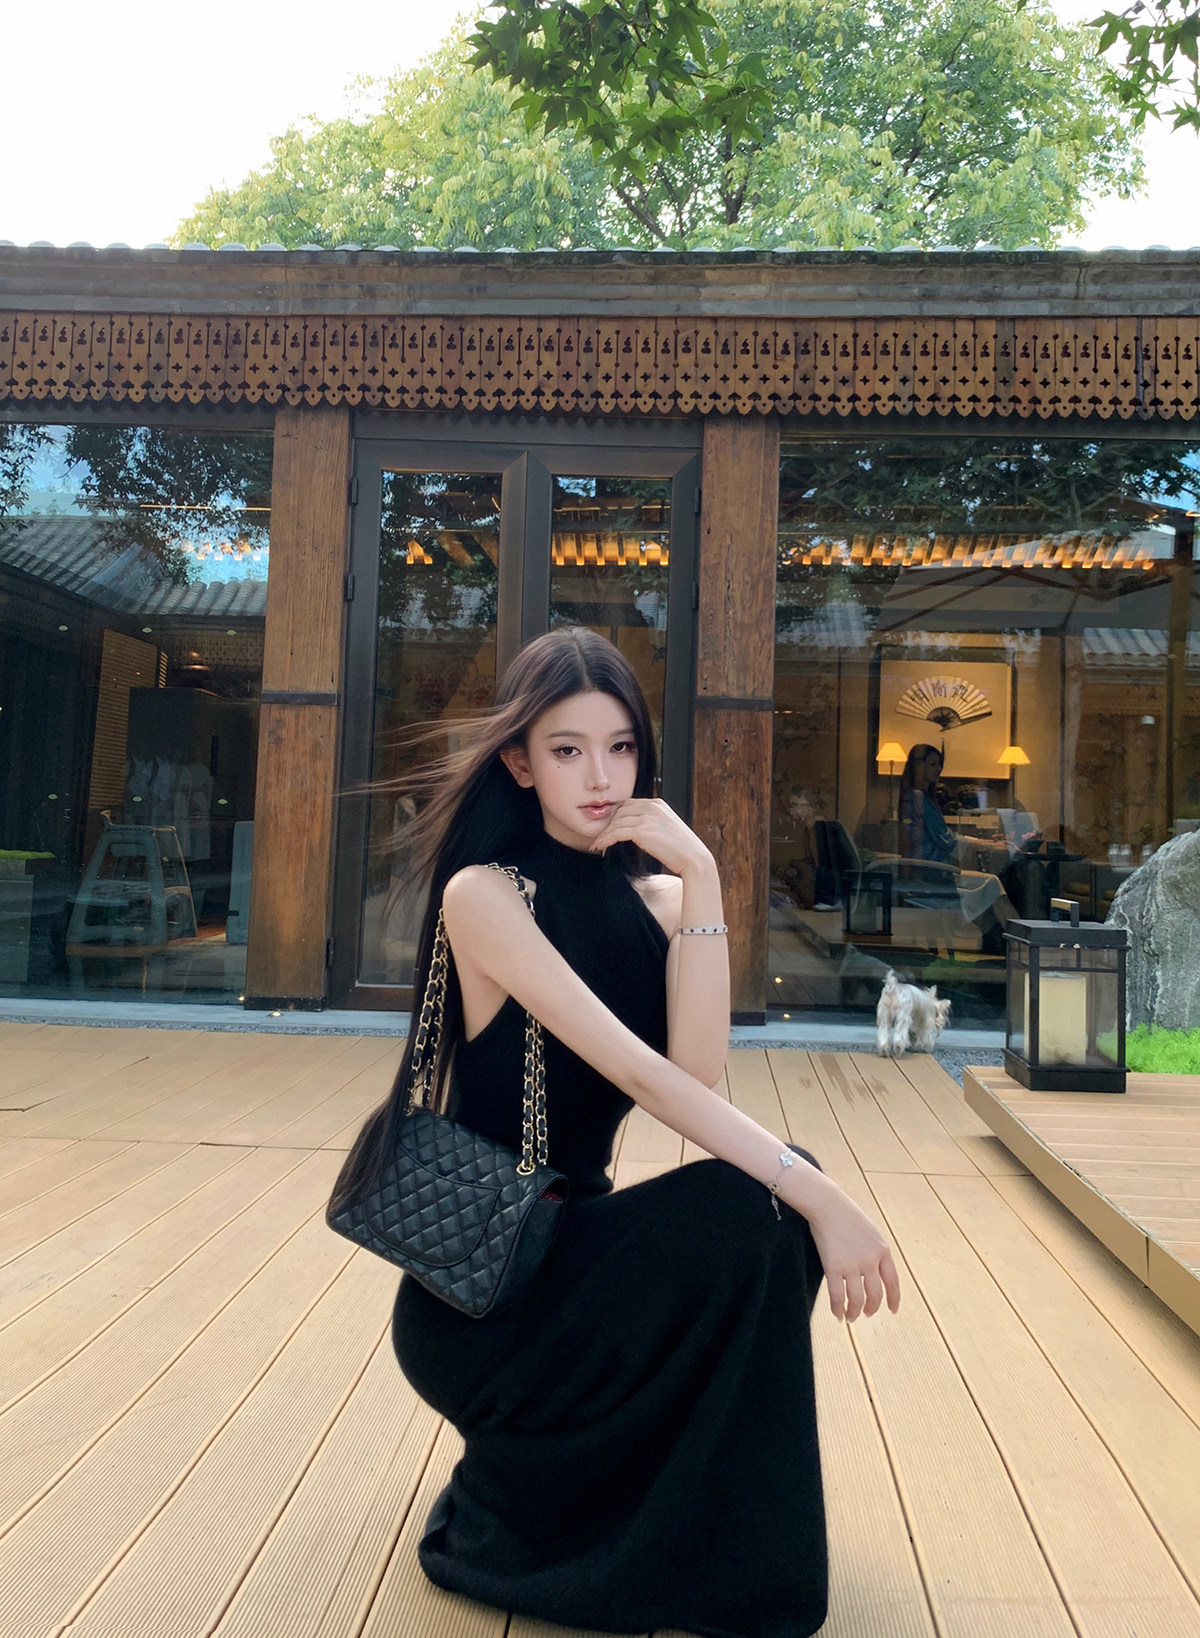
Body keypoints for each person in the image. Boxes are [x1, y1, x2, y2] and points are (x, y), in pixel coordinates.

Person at [333, 628, 900, 1638]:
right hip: (490, 1291)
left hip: (582, 1254)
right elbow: (641, 1075)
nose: (600, 776)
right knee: (776, 1194)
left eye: (621, 747)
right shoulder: (487, 895)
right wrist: (821, 1192)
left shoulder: (665, 898)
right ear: (520, 762)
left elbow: (697, 1070)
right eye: (567, 749)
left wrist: (705, 876)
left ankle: (698, 1531)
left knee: (761, 1211)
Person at [898, 742, 957, 866]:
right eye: (933, 764)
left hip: (925, 863)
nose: (939, 769)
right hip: (930, 865)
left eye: (939, 764)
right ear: (918, 767)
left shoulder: (917, 796)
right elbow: (944, 840)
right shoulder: (917, 797)